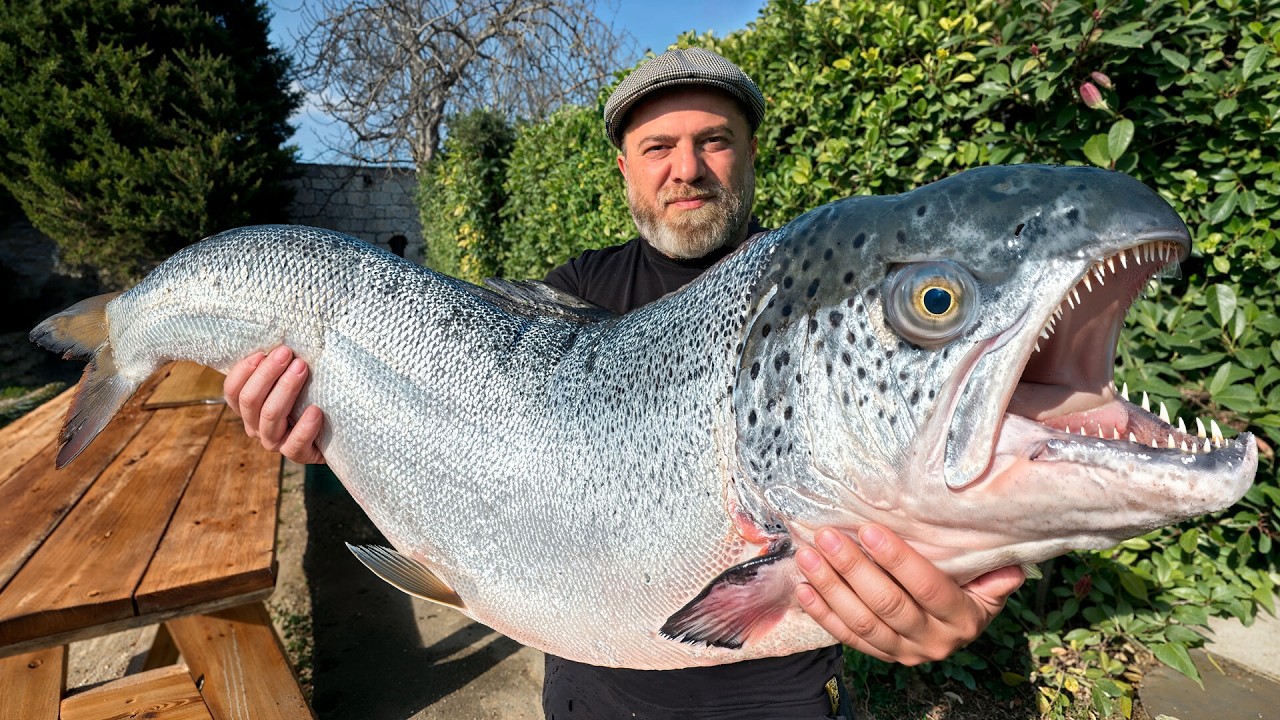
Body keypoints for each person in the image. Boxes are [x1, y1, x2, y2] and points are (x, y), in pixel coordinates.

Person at [224, 48, 1024, 719]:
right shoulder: (571, 294)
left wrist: (941, 593)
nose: (687, 169)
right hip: (591, 695)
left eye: (714, 141)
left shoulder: (831, 302)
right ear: (624, 169)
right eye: (657, 147)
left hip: (780, 699)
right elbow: (468, 442)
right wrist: (332, 426)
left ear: (751, 152)